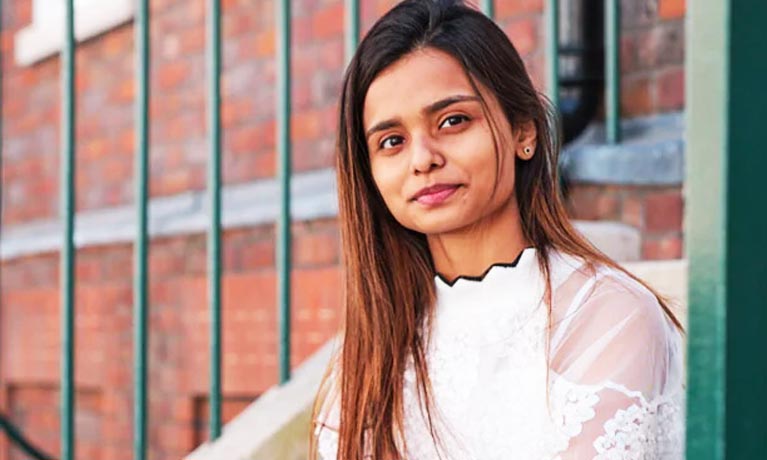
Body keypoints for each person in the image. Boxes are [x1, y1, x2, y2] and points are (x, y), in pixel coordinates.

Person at [311, 0, 686, 458]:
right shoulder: (371, 352)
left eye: (453, 121)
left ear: (523, 132)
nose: (423, 158)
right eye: (392, 141)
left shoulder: (609, 318)